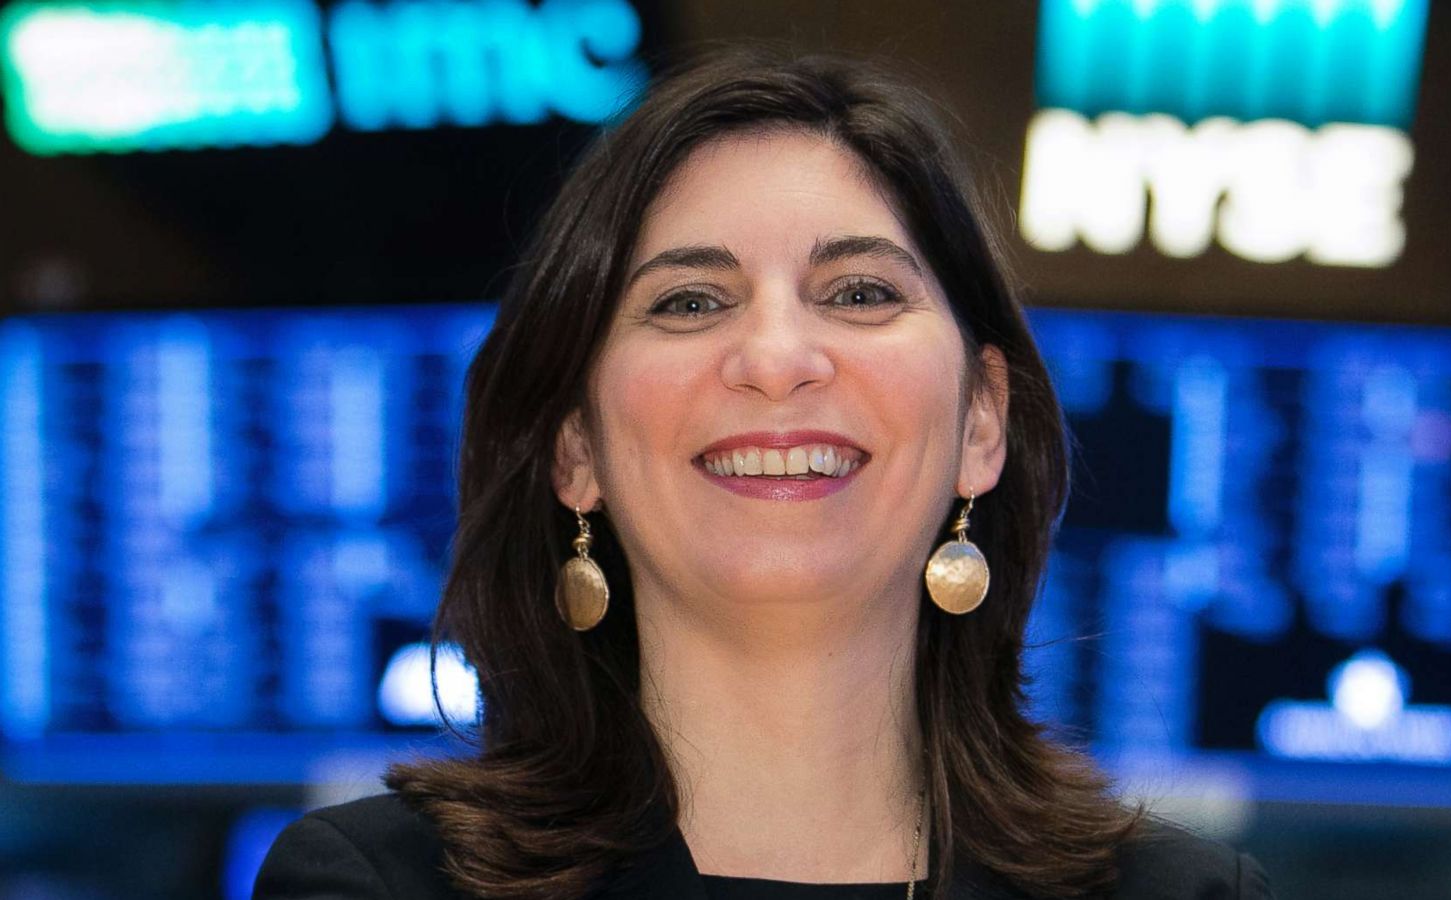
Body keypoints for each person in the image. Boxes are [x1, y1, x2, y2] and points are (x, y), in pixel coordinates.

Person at [255, 46, 1275, 900]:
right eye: (690, 302)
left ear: (980, 422)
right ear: (575, 451)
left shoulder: (1187, 894)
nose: (778, 358)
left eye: (862, 291)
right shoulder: (381, 883)